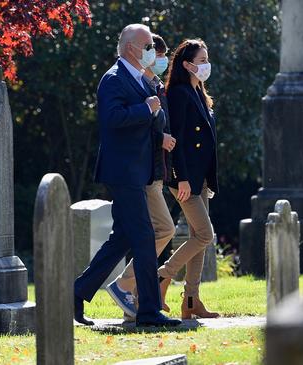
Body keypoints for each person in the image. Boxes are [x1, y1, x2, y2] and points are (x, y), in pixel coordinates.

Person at [73, 24, 181, 327]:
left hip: (139, 171)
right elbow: (111, 120)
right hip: (122, 171)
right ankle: (148, 310)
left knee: (122, 238)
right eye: (147, 46)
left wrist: (152, 114)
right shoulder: (114, 79)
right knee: (145, 236)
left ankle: (77, 292)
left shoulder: (140, 79)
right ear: (131, 47)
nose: (151, 51)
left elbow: (150, 121)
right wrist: (145, 109)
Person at [105, 33, 176, 320]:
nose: (160, 59)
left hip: (154, 170)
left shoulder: (152, 84)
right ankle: (124, 285)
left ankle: (133, 298)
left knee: (136, 235)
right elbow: (121, 123)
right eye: (155, 52)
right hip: (142, 172)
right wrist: (160, 137)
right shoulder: (132, 82)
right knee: (162, 230)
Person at [158, 39, 220, 319]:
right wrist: (181, 178)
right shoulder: (180, 94)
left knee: (199, 236)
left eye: (207, 58)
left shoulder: (199, 93)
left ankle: (191, 302)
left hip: (201, 179)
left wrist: (208, 180)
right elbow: (179, 141)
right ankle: (161, 276)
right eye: (202, 59)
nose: (206, 64)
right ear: (187, 64)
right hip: (185, 180)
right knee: (206, 235)